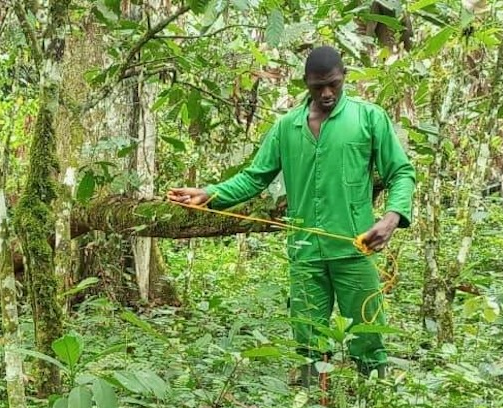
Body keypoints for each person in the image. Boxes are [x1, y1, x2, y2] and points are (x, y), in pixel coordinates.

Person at [168, 46, 415, 381]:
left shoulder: (368, 118)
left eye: (333, 84)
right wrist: (210, 193)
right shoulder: (287, 127)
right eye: (318, 86)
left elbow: (400, 171)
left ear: (345, 77)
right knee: (309, 339)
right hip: (305, 252)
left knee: (367, 336)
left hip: (356, 248)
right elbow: (256, 177)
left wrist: (391, 217)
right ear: (306, 84)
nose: (326, 93)